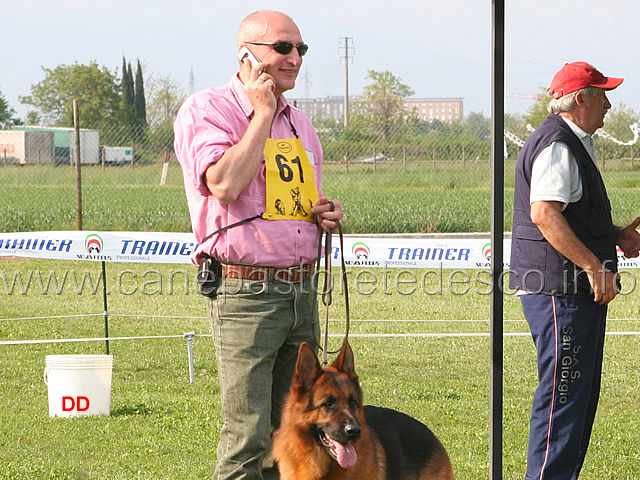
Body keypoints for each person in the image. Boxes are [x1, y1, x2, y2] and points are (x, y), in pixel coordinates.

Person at [173, 10, 343, 480]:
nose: (294, 58)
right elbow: (224, 184)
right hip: (245, 294)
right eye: (282, 48)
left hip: (301, 291)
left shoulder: (303, 126)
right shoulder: (207, 110)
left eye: (301, 49)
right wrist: (262, 111)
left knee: (294, 433)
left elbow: (292, 203)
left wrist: (322, 213)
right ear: (247, 54)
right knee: (248, 438)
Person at [510, 61, 640, 479]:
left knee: (576, 401)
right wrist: (592, 265)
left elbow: (567, 211)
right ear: (580, 99)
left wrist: (615, 235)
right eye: (602, 94)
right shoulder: (559, 145)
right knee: (562, 403)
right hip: (560, 292)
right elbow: (545, 213)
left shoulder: (573, 142)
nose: (608, 104)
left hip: (569, 293)